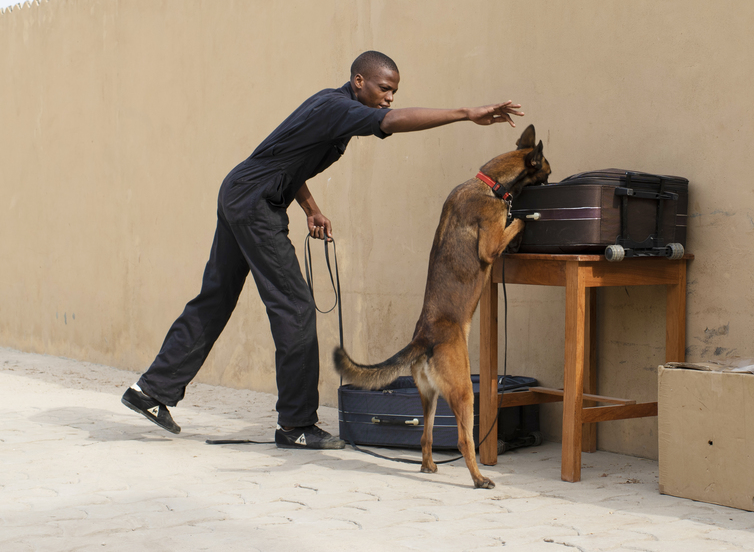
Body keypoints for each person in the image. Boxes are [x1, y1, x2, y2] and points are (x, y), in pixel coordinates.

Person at [121, 50, 524, 449]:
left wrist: (312, 209)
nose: (389, 98)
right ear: (359, 81)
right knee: (294, 308)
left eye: (395, 92)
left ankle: (151, 391)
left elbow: (289, 160)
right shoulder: (338, 108)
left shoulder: (329, 107)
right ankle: (296, 425)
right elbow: (392, 122)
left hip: (241, 192)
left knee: (216, 298)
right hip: (255, 203)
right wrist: (466, 113)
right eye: (385, 88)